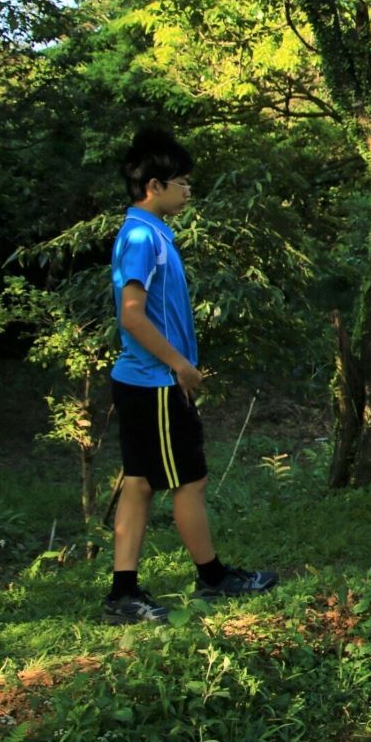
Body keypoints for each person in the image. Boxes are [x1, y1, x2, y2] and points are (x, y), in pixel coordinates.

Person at [102, 127, 277, 623]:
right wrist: (178, 364)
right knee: (190, 482)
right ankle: (214, 578)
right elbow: (131, 314)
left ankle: (123, 593)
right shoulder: (140, 236)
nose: (188, 190)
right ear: (153, 186)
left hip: (144, 382)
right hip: (155, 384)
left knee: (139, 483)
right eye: (181, 181)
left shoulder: (150, 233)